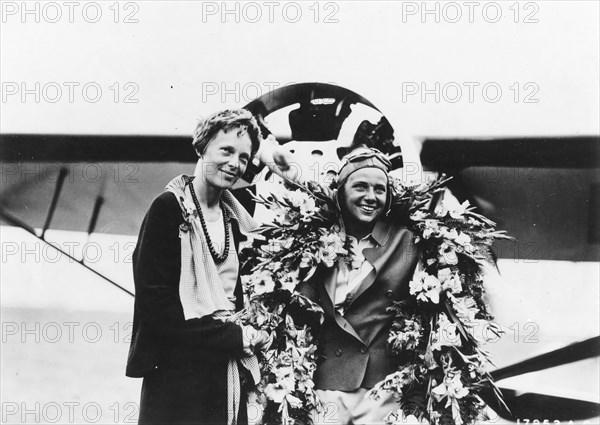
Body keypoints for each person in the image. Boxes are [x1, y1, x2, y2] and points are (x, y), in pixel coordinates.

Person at [126, 109, 287, 425]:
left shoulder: (236, 218)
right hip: (176, 378)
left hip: (225, 374)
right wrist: (236, 337)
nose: (234, 164)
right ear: (201, 148)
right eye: (226, 150)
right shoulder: (167, 210)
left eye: (243, 157)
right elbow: (157, 307)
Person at [296, 147, 421, 424]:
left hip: (381, 389)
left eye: (379, 189)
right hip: (326, 383)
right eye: (360, 186)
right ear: (341, 193)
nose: (370, 197)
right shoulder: (313, 240)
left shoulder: (408, 243)